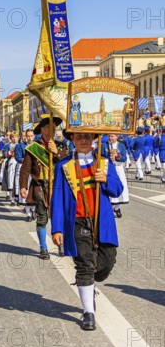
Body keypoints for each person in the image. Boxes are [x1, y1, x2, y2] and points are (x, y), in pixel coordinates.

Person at [51, 131, 123, 331]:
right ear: (72, 139)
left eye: (87, 136)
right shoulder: (63, 166)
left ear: (94, 139)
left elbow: (118, 189)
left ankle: (90, 284)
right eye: (79, 137)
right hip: (77, 222)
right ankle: (88, 312)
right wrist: (56, 228)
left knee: (107, 261)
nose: (83, 140)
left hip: (102, 221)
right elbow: (57, 200)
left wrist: (106, 180)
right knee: (84, 265)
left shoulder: (104, 162)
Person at [20, 115, 67, 259]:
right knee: (42, 218)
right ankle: (43, 248)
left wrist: (55, 153)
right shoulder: (34, 147)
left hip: (57, 186)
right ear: (42, 129)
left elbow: (66, 164)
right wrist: (23, 186)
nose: (52, 130)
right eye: (49, 127)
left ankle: (61, 245)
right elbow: (25, 169)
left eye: (54, 127)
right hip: (40, 185)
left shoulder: (60, 146)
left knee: (59, 216)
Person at [102, 134, 129, 218]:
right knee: (108, 187)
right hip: (108, 168)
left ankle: (117, 208)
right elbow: (101, 155)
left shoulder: (121, 145)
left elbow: (124, 158)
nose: (111, 138)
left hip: (118, 168)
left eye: (113, 136)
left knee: (119, 187)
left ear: (117, 137)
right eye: (110, 136)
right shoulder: (104, 145)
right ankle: (109, 208)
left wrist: (118, 156)